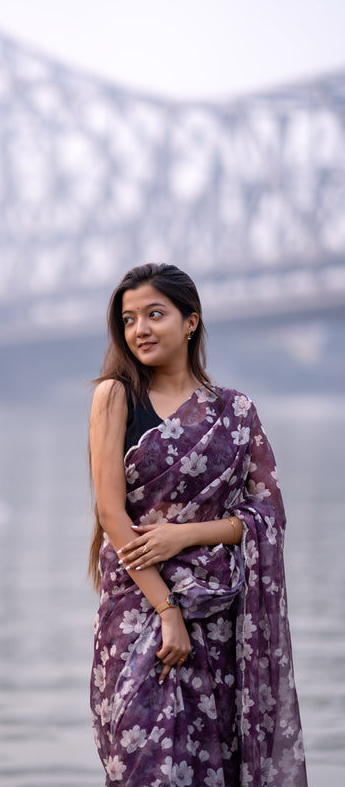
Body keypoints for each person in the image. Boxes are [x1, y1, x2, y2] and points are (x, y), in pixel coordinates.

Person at [88, 263, 307, 787]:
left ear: (191, 321)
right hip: (141, 610)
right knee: (146, 763)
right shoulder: (115, 396)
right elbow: (111, 514)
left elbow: (268, 514)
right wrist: (168, 611)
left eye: (155, 314)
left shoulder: (234, 411)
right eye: (129, 318)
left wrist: (184, 535)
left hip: (223, 618)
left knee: (217, 763)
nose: (139, 328)